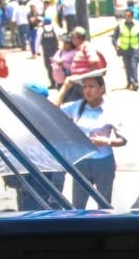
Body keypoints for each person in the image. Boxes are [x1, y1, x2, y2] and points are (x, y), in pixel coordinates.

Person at [54, 74, 127, 209]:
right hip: (81, 162)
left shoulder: (111, 110)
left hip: (103, 163)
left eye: (92, 86)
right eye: (85, 87)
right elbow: (53, 109)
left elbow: (123, 140)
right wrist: (65, 87)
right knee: (78, 206)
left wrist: (107, 141)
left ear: (101, 89)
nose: (87, 90)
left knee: (104, 205)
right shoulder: (77, 106)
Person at [112, 8, 139, 91]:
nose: (127, 17)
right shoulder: (120, 24)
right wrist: (115, 45)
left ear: (132, 16)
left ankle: (135, 83)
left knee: (133, 66)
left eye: (128, 15)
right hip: (124, 49)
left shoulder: (137, 24)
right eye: (125, 15)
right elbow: (114, 36)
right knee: (127, 66)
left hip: (134, 48)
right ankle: (129, 82)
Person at [39, 16, 61, 84]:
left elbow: (37, 41)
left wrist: (36, 51)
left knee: (48, 67)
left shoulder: (41, 30)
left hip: (46, 51)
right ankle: (58, 81)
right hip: (55, 51)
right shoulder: (55, 29)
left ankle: (52, 82)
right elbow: (60, 37)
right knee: (57, 66)